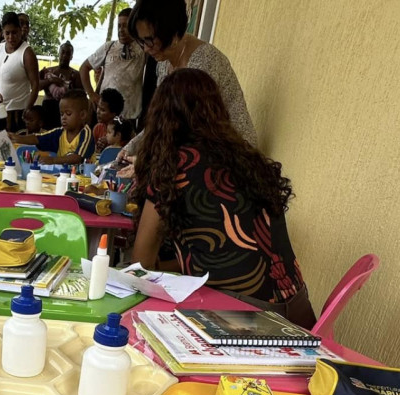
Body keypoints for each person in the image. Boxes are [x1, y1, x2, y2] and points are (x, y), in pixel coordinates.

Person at [131, 70, 314, 329]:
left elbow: (142, 264)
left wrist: (163, 264)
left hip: (247, 321)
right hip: (300, 314)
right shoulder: (247, 159)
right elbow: (235, 252)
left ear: (161, 117)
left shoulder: (174, 167)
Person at [130, 0, 256, 146]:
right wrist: (130, 148)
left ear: (171, 31)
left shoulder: (204, 61)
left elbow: (189, 129)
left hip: (231, 151)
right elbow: (161, 120)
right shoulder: (164, 64)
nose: (145, 48)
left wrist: (146, 159)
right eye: (141, 41)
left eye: (149, 40)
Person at [80, 8, 145, 123]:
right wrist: (92, 95)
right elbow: (84, 68)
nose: (121, 30)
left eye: (125, 26)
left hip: (129, 116)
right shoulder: (108, 47)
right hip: (104, 115)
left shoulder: (144, 48)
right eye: (119, 26)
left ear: (134, 26)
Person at [0, 12, 38, 132]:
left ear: (20, 31)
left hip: (17, 115)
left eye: (14, 32)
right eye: (7, 33)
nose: (11, 37)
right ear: (2, 33)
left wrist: (27, 109)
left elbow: (35, 84)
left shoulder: (27, 53)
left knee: (15, 149)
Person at [15, 90, 94, 165]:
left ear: (82, 115)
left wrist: (54, 160)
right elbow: (38, 138)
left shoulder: (86, 133)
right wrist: (17, 138)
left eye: (68, 113)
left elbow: (77, 158)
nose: (63, 117)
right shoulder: (59, 132)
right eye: (61, 114)